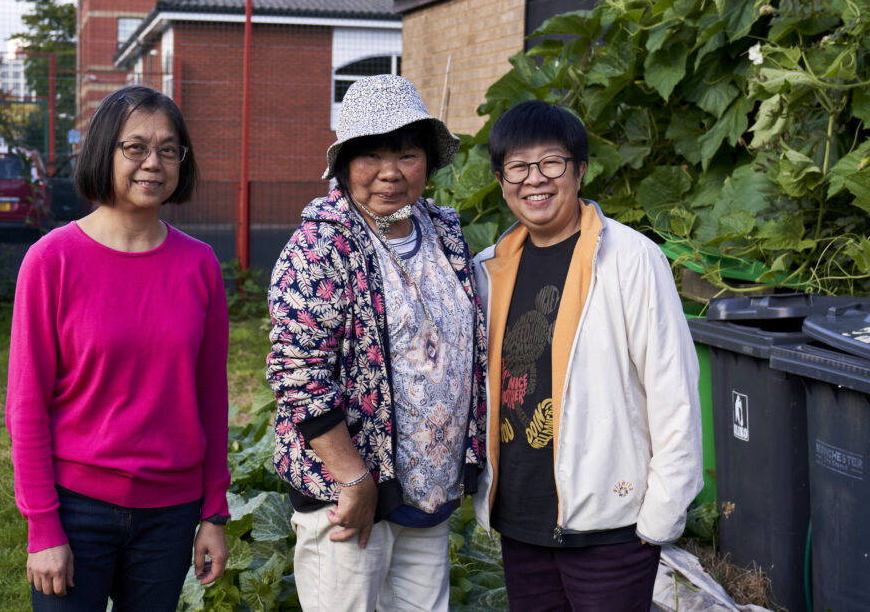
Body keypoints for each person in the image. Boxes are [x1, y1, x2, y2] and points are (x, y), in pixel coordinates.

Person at [266, 74, 488, 611]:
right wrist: (356, 480)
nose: (390, 172)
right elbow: (298, 376)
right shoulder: (321, 245)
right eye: (371, 156)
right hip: (348, 496)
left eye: (407, 154)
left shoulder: (443, 231)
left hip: (427, 492)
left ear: (428, 163)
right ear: (344, 165)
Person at [6, 85, 231, 611]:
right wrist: (43, 526)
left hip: (170, 514)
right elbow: (26, 405)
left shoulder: (200, 266)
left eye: (169, 149)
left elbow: (211, 400)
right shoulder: (51, 261)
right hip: (75, 507)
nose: (153, 163)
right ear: (104, 151)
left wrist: (213, 513)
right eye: (135, 148)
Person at [472, 101, 702, 611]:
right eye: (518, 166)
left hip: (611, 527)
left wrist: (660, 517)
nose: (536, 179)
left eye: (551, 163)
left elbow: (674, 391)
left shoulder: (631, 259)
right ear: (501, 179)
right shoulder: (489, 270)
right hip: (521, 520)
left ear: (579, 170)